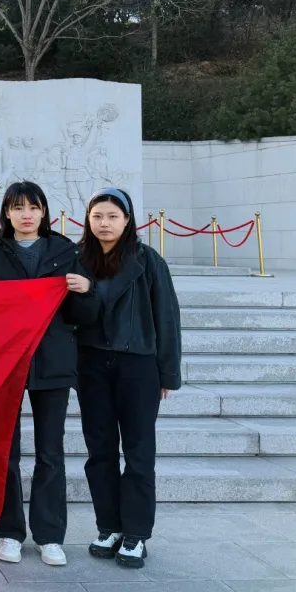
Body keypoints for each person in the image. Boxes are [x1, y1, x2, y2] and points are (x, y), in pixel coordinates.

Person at [0, 181, 96, 568]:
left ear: (44, 212)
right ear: (6, 213)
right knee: (6, 453)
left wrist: (86, 291)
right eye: (18, 208)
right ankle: (9, 532)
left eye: (33, 207)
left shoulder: (65, 252)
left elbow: (83, 316)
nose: (26, 215)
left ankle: (50, 535)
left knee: (50, 452)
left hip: (52, 362)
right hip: (5, 365)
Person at [76, 187, 181, 569]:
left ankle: (136, 534)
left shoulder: (147, 261)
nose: (104, 223)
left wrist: (167, 373)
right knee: (99, 451)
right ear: (88, 220)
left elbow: (167, 317)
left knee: (138, 452)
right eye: (97, 216)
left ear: (127, 220)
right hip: (92, 365)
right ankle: (109, 527)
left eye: (112, 216)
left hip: (138, 365)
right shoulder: (78, 260)